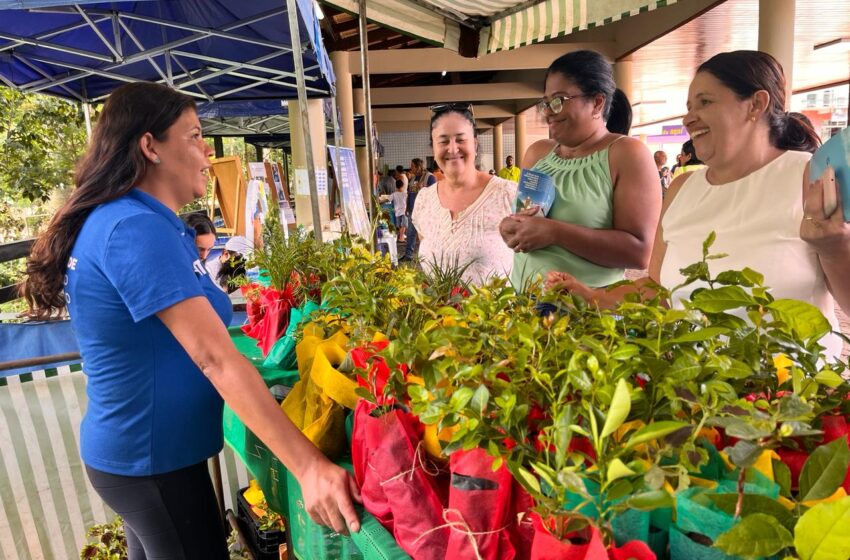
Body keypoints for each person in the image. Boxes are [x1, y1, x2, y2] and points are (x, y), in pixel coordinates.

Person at [20, 82, 360, 559]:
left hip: (151, 458)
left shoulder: (148, 221)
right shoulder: (133, 228)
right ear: (149, 146)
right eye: (195, 135)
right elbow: (215, 358)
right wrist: (308, 467)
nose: (208, 152)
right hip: (152, 463)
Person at [547, 50, 849, 359]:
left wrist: (835, 248)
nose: (688, 118)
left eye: (705, 102)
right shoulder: (682, 188)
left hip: (787, 394)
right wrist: (592, 296)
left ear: (756, 105)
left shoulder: (810, 177)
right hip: (695, 393)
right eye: (689, 107)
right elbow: (659, 289)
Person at [499, 50, 661, 290]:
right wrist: (511, 229)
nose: (548, 111)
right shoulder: (537, 154)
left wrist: (555, 233)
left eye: (559, 100)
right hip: (524, 312)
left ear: (597, 102)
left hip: (588, 316)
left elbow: (639, 253)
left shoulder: (626, 154)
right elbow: (526, 219)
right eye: (545, 102)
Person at [411, 102, 517, 285]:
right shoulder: (424, 200)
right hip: (437, 313)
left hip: (496, 313)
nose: (452, 149)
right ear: (433, 149)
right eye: (443, 141)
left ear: (475, 144)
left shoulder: (508, 195)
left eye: (460, 139)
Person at [400, 158, 437, 262]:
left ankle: (428, 256)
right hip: (413, 211)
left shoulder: (430, 177)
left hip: (424, 212)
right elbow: (410, 193)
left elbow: (434, 194)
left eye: (412, 166)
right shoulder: (413, 178)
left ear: (418, 166)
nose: (411, 168)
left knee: (425, 234)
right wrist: (407, 206)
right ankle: (408, 255)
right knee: (411, 233)